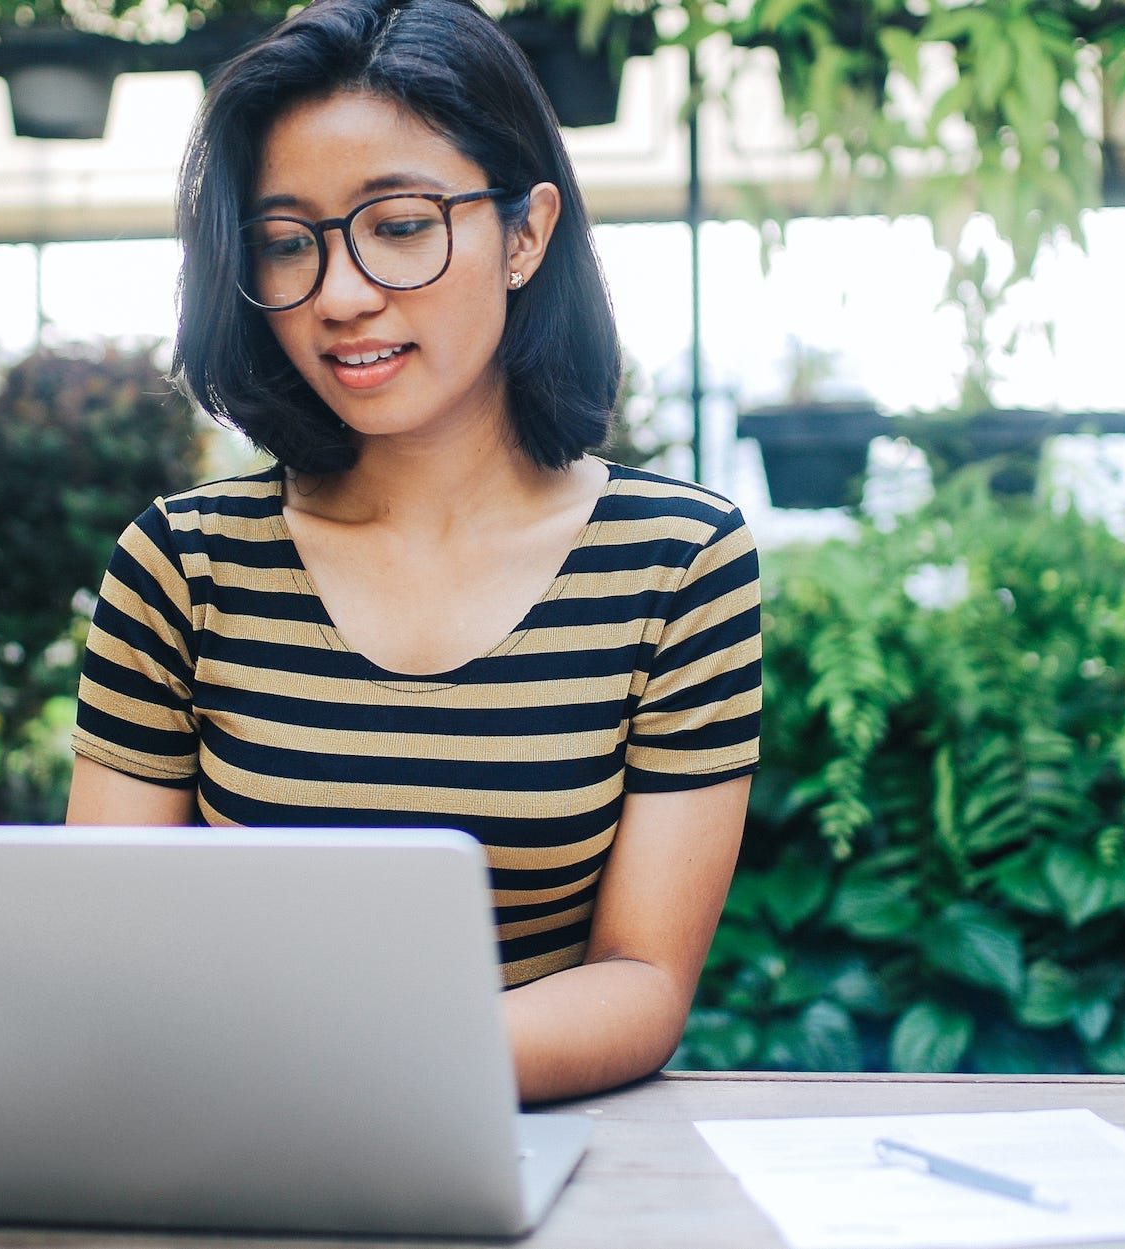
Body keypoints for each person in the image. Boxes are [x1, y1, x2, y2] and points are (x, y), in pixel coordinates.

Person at [65, 0, 761, 1106]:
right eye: (287, 242)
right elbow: (104, 952)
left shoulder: (673, 562)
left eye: (396, 225)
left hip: (509, 1148)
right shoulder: (181, 566)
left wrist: (362, 1072)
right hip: (231, 1151)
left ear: (525, 234)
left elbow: (639, 978)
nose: (339, 295)